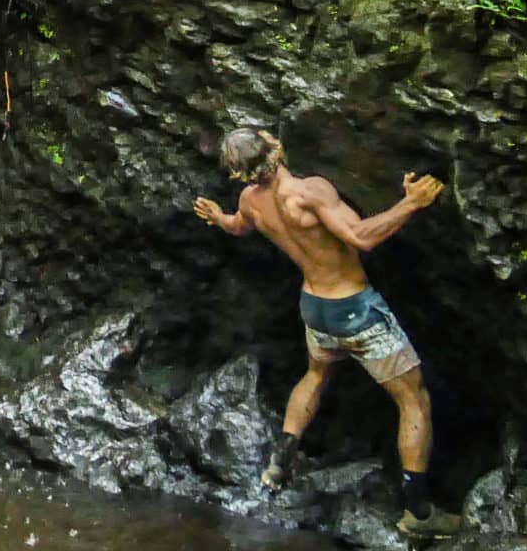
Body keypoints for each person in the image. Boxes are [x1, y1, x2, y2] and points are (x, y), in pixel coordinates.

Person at [195, 126, 455, 542]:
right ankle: (419, 513)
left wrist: (217, 217)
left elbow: (238, 226)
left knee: (316, 375)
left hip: (315, 308)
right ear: (274, 147)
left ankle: (278, 466)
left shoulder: (249, 200)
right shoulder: (309, 191)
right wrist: (411, 203)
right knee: (414, 399)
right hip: (355, 309)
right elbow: (360, 237)